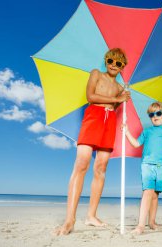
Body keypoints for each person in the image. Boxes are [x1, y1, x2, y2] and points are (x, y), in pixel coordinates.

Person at [55, 48, 131, 235]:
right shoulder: (96, 73)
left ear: (123, 67)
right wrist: (117, 98)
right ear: (106, 61)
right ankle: (69, 219)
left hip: (110, 121)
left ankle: (91, 216)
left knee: (101, 168)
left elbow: (119, 105)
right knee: (81, 164)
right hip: (93, 117)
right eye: (111, 60)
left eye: (119, 63)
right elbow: (91, 97)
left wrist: (124, 97)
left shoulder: (122, 88)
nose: (114, 65)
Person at [123, 102, 162, 234]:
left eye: (158, 113)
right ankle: (141, 225)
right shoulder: (147, 132)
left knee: (155, 195)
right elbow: (136, 144)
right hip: (147, 164)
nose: (155, 116)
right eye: (151, 114)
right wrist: (127, 132)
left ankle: (152, 221)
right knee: (147, 192)